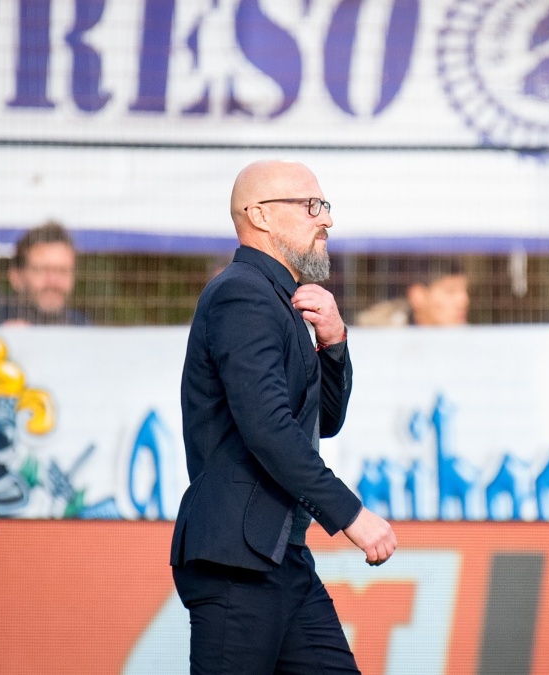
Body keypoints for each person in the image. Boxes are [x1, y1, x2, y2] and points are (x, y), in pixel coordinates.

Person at [170, 159, 397, 674]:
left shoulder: (281, 301)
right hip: (236, 563)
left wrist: (334, 343)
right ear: (260, 216)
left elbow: (322, 422)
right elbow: (269, 430)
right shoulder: (242, 294)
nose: (327, 221)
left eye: (325, 206)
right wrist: (351, 515)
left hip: (280, 559)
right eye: (311, 206)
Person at [0, 221, 90, 325]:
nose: (53, 282)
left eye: (63, 271)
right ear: (16, 277)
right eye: (42, 270)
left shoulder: (83, 329)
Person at [356, 258, 470, 326]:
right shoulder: (382, 333)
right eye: (450, 292)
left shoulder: (470, 339)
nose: (463, 301)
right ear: (418, 296)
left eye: (464, 291)